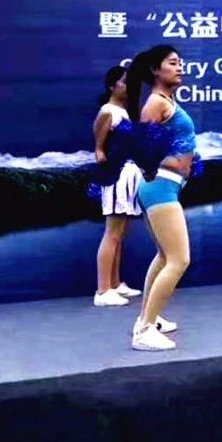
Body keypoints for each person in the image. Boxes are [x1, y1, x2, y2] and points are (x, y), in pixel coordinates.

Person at [125, 45, 195, 351]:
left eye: (180, 63)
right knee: (179, 259)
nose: (180, 68)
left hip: (167, 186)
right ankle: (144, 331)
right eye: (172, 63)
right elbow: (140, 150)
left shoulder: (166, 101)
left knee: (165, 256)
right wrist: (173, 163)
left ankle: (147, 318)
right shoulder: (155, 103)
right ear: (156, 70)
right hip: (160, 187)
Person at [92, 63, 143, 307]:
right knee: (112, 232)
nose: (128, 87)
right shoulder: (108, 111)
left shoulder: (123, 112)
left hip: (129, 173)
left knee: (120, 233)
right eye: (124, 82)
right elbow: (99, 150)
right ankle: (102, 290)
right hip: (116, 176)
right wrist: (110, 172)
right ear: (112, 86)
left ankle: (115, 283)